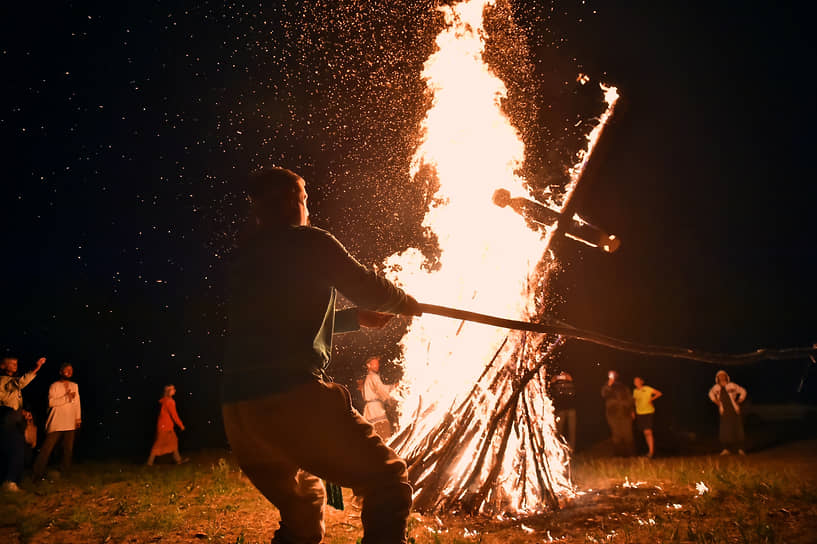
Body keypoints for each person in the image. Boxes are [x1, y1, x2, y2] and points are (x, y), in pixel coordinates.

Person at [221, 167, 422, 544]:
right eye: (304, 199)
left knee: (302, 519)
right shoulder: (309, 242)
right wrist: (408, 303)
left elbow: (280, 318)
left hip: (241, 412)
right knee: (388, 479)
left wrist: (352, 319)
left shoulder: (245, 258)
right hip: (291, 397)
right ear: (292, 203)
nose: (307, 208)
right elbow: (367, 286)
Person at [0, 356, 46, 492]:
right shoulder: (3, 380)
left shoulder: (10, 381)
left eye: (16, 363)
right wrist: (36, 368)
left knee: (17, 448)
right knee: (16, 448)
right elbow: (18, 383)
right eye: (11, 363)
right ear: (3, 366)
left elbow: (11, 399)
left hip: (12, 415)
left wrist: (23, 411)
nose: (15, 365)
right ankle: (10, 481)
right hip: (6, 416)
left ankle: (12, 480)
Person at [33, 362, 82, 480]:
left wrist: (78, 418)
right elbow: (51, 402)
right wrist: (66, 398)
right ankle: (37, 474)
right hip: (56, 422)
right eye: (67, 369)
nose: (69, 372)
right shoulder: (54, 386)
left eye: (71, 370)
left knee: (67, 450)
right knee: (47, 449)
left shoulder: (74, 385)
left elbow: (77, 403)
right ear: (61, 372)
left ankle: (65, 474)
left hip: (70, 422)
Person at [146, 384, 188, 465]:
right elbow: (174, 415)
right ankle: (149, 463)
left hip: (164, 426)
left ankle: (178, 460)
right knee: (158, 444)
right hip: (165, 427)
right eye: (173, 389)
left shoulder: (166, 400)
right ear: (168, 391)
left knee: (173, 441)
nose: (175, 390)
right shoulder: (169, 401)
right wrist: (181, 425)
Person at [708, 370, 747, 455]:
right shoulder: (716, 388)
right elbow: (710, 394)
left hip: (733, 410)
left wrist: (739, 400)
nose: (722, 377)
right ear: (717, 378)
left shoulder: (732, 385)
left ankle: (740, 449)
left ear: (726, 376)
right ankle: (726, 449)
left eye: (723, 375)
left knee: (737, 429)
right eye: (720, 376)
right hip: (724, 411)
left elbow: (743, 391)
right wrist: (716, 401)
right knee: (725, 430)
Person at [601, 370, 635, 457]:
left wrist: (632, 411)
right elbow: (604, 394)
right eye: (610, 375)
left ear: (617, 375)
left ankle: (630, 454)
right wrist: (609, 384)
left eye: (613, 374)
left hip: (625, 412)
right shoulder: (606, 386)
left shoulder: (623, 386)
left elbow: (630, 399)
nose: (611, 376)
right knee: (616, 434)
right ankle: (618, 454)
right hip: (612, 413)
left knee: (628, 433)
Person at [362, 356, 397, 440]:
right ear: (368, 365)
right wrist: (394, 388)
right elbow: (382, 390)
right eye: (374, 364)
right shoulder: (373, 377)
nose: (377, 366)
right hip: (376, 410)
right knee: (384, 434)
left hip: (369, 411)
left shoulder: (368, 377)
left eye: (377, 364)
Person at [632, 376, 662, 458]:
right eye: (635, 381)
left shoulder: (647, 388)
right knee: (644, 433)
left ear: (642, 381)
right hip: (639, 413)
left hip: (648, 412)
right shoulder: (635, 391)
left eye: (638, 381)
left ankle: (651, 452)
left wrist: (651, 399)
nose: (636, 382)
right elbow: (634, 401)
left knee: (648, 432)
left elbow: (659, 393)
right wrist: (632, 412)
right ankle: (649, 451)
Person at [550, 371, 577, 450]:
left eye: (564, 374)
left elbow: (574, 392)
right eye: (560, 375)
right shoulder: (556, 384)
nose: (562, 376)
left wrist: (570, 380)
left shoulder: (571, 383)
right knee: (558, 431)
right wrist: (552, 383)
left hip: (571, 409)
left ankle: (572, 450)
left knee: (572, 431)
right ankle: (558, 449)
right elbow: (552, 393)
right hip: (560, 409)